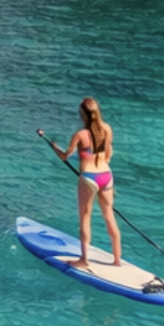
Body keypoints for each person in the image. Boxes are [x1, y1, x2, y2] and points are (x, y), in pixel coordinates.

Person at [44, 97, 120, 269]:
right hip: (106, 175)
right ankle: (117, 260)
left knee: (85, 217)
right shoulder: (107, 129)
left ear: (83, 114)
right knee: (109, 216)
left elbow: (65, 156)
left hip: (89, 177)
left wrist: (54, 146)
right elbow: (108, 155)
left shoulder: (80, 135)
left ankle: (84, 260)